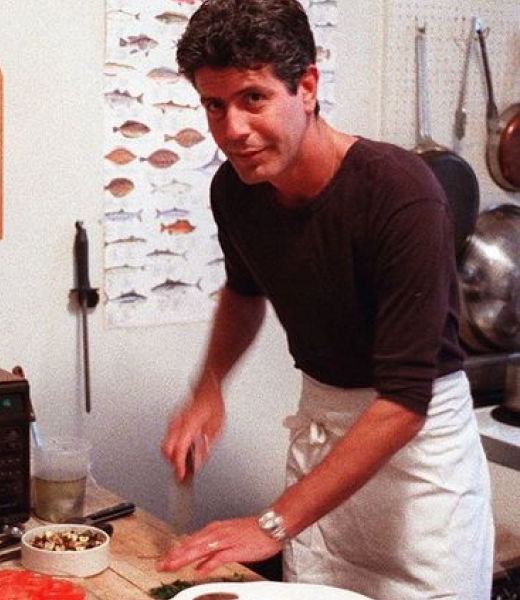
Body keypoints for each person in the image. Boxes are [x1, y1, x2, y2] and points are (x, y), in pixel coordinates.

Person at [156, 1, 494, 599]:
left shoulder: (399, 193)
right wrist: (209, 386)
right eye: (215, 104)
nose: (232, 129)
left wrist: (271, 523)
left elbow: (405, 401)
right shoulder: (236, 188)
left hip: (419, 467)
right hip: (324, 436)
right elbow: (244, 289)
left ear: (306, 86)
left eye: (253, 98)